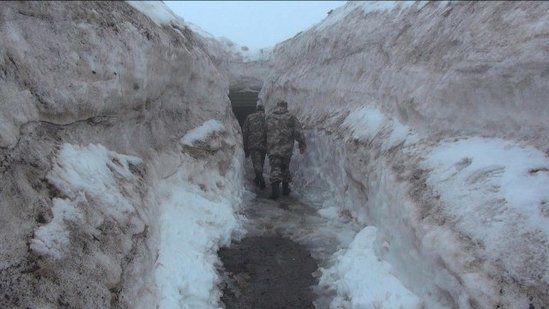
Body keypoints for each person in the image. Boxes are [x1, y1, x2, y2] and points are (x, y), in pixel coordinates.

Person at [266, 100, 306, 199]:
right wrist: (302, 143)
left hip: (273, 148)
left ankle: (275, 190)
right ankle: (285, 189)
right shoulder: (291, 117)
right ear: (286, 106)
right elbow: (298, 131)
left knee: (275, 167)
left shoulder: (269, 117)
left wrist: (264, 144)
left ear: (277, 106)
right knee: (285, 167)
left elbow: (263, 131)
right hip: (286, 149)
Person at [242, 103, 267, 188]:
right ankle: (258, 177)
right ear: (263, 110)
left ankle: (260, 178)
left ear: (256, 109)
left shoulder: (250, 117)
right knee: (261, 162)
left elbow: (245, 131)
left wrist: (244, 145)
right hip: (264, 144)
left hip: (253, 144)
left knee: (256, 162)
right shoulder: (267, 117)